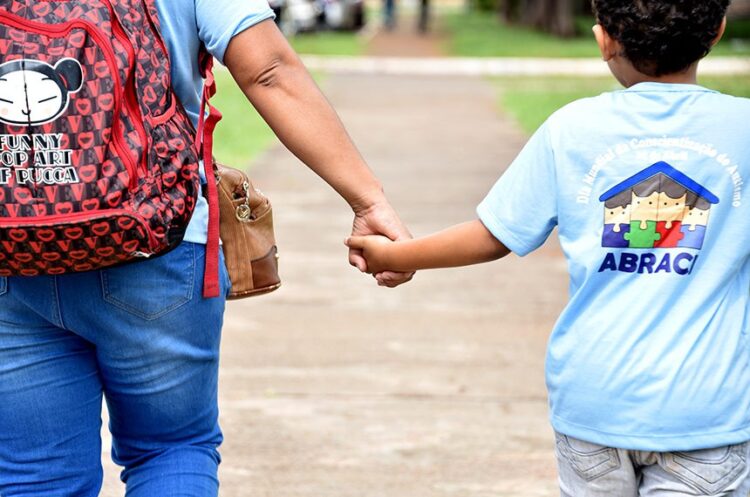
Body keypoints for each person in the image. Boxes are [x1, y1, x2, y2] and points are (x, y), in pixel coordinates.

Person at [0, 0, 413, 495]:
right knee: (169, 449)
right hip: (157, 249)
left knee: (37, 473)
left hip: (13, 250)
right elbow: (269, 71)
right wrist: (368, 199)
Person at [346, 1, 750, 495]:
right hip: (707, 412)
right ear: (717, 31)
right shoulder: (742, 129)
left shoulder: (572, 129)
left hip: (592, 401)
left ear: (604, 41)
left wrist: (395, 256)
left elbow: (493, 234)